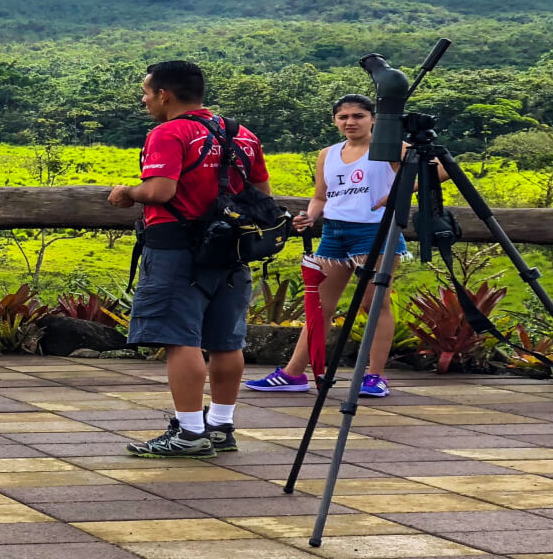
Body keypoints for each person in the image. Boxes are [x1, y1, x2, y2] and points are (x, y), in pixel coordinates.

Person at [107, 60, 270, 459]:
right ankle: (221, 425)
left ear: (165, 94)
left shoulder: (169, 132)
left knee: (180, 338)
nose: (145, 101)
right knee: (225, 340)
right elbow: (261, 194)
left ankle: (190, 433)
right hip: (230, 249)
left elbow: (161, 190)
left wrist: (128, 191)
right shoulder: (241, 134)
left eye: (147, 93)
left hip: (177, 248)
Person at [245, 94, 440, 399]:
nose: (350, 122)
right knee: (319, 308)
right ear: (335, 120)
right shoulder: (328, 154)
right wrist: (309, 217)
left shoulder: (390, 147)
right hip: (335, 233)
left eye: (358, 116)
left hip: (374, 231)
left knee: (374, 304)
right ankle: (294, 373)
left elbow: (437, 169)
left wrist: (398, 192)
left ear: (373, 118)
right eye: (343, 117)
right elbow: (321, 197)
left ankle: (375, 376)